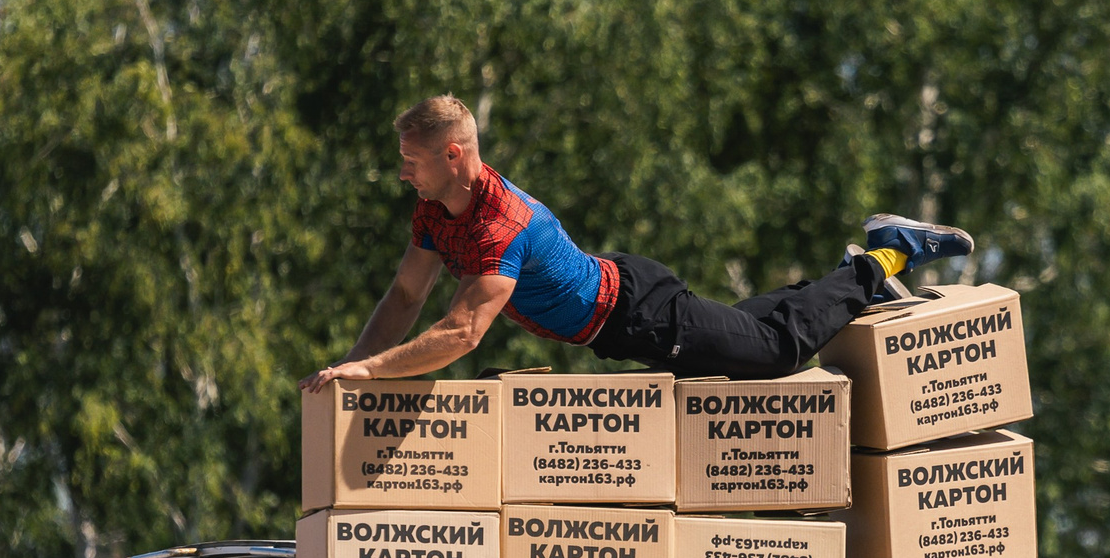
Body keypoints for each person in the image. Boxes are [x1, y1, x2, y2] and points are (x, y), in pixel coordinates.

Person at [302, 95, 973, 391]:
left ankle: (881, 258)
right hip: (625, 308)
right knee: (744, 331)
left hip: (641, 314)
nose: (401, 172)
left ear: (454, 156)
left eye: (411, 160)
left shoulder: (500, 223)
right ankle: (844, 280)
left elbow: (462, 331)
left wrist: (369, 371)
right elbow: (404, 295)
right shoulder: (434, 211)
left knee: (775, 353)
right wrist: (349, 369)